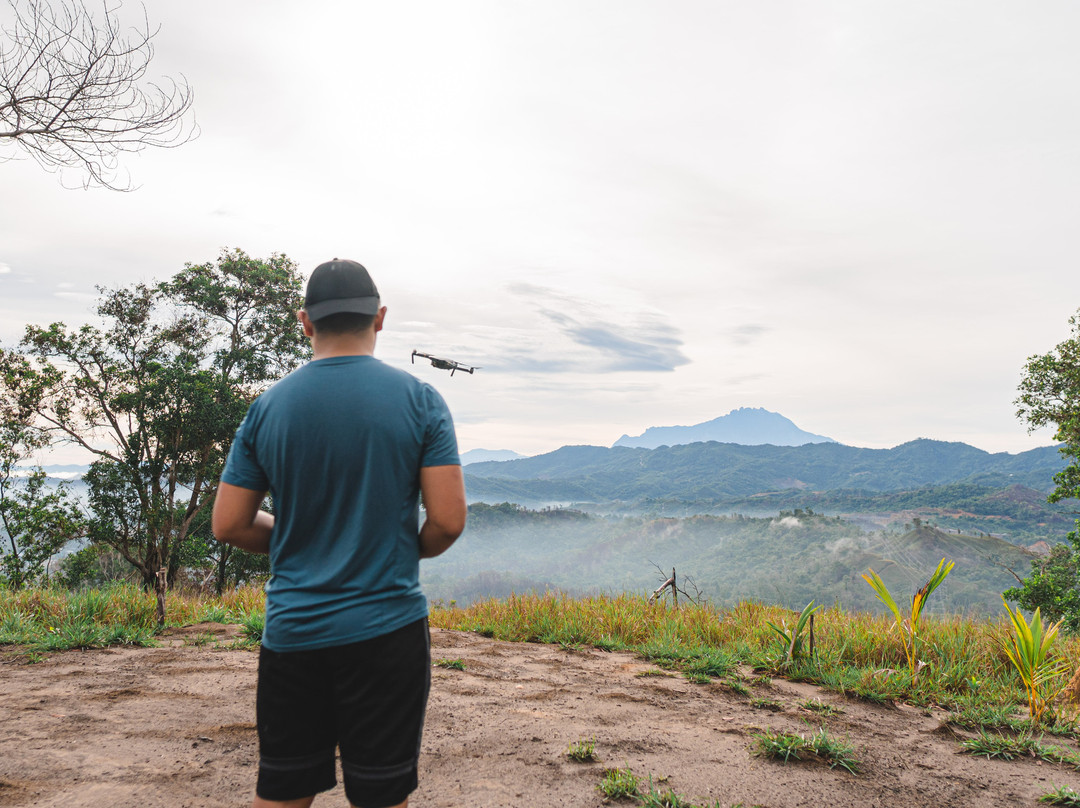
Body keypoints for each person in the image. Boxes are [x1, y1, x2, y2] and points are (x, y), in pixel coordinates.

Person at [212, 258, 467, 808]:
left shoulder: (268, 408)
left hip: (294, 633)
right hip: (386, 631)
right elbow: (447, 521)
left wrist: (296, 536)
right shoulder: (421, 401)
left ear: (304, 322)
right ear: (380, 318)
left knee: (284, 791)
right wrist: (400, 548)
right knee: (379, 795)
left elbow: (229, 523)